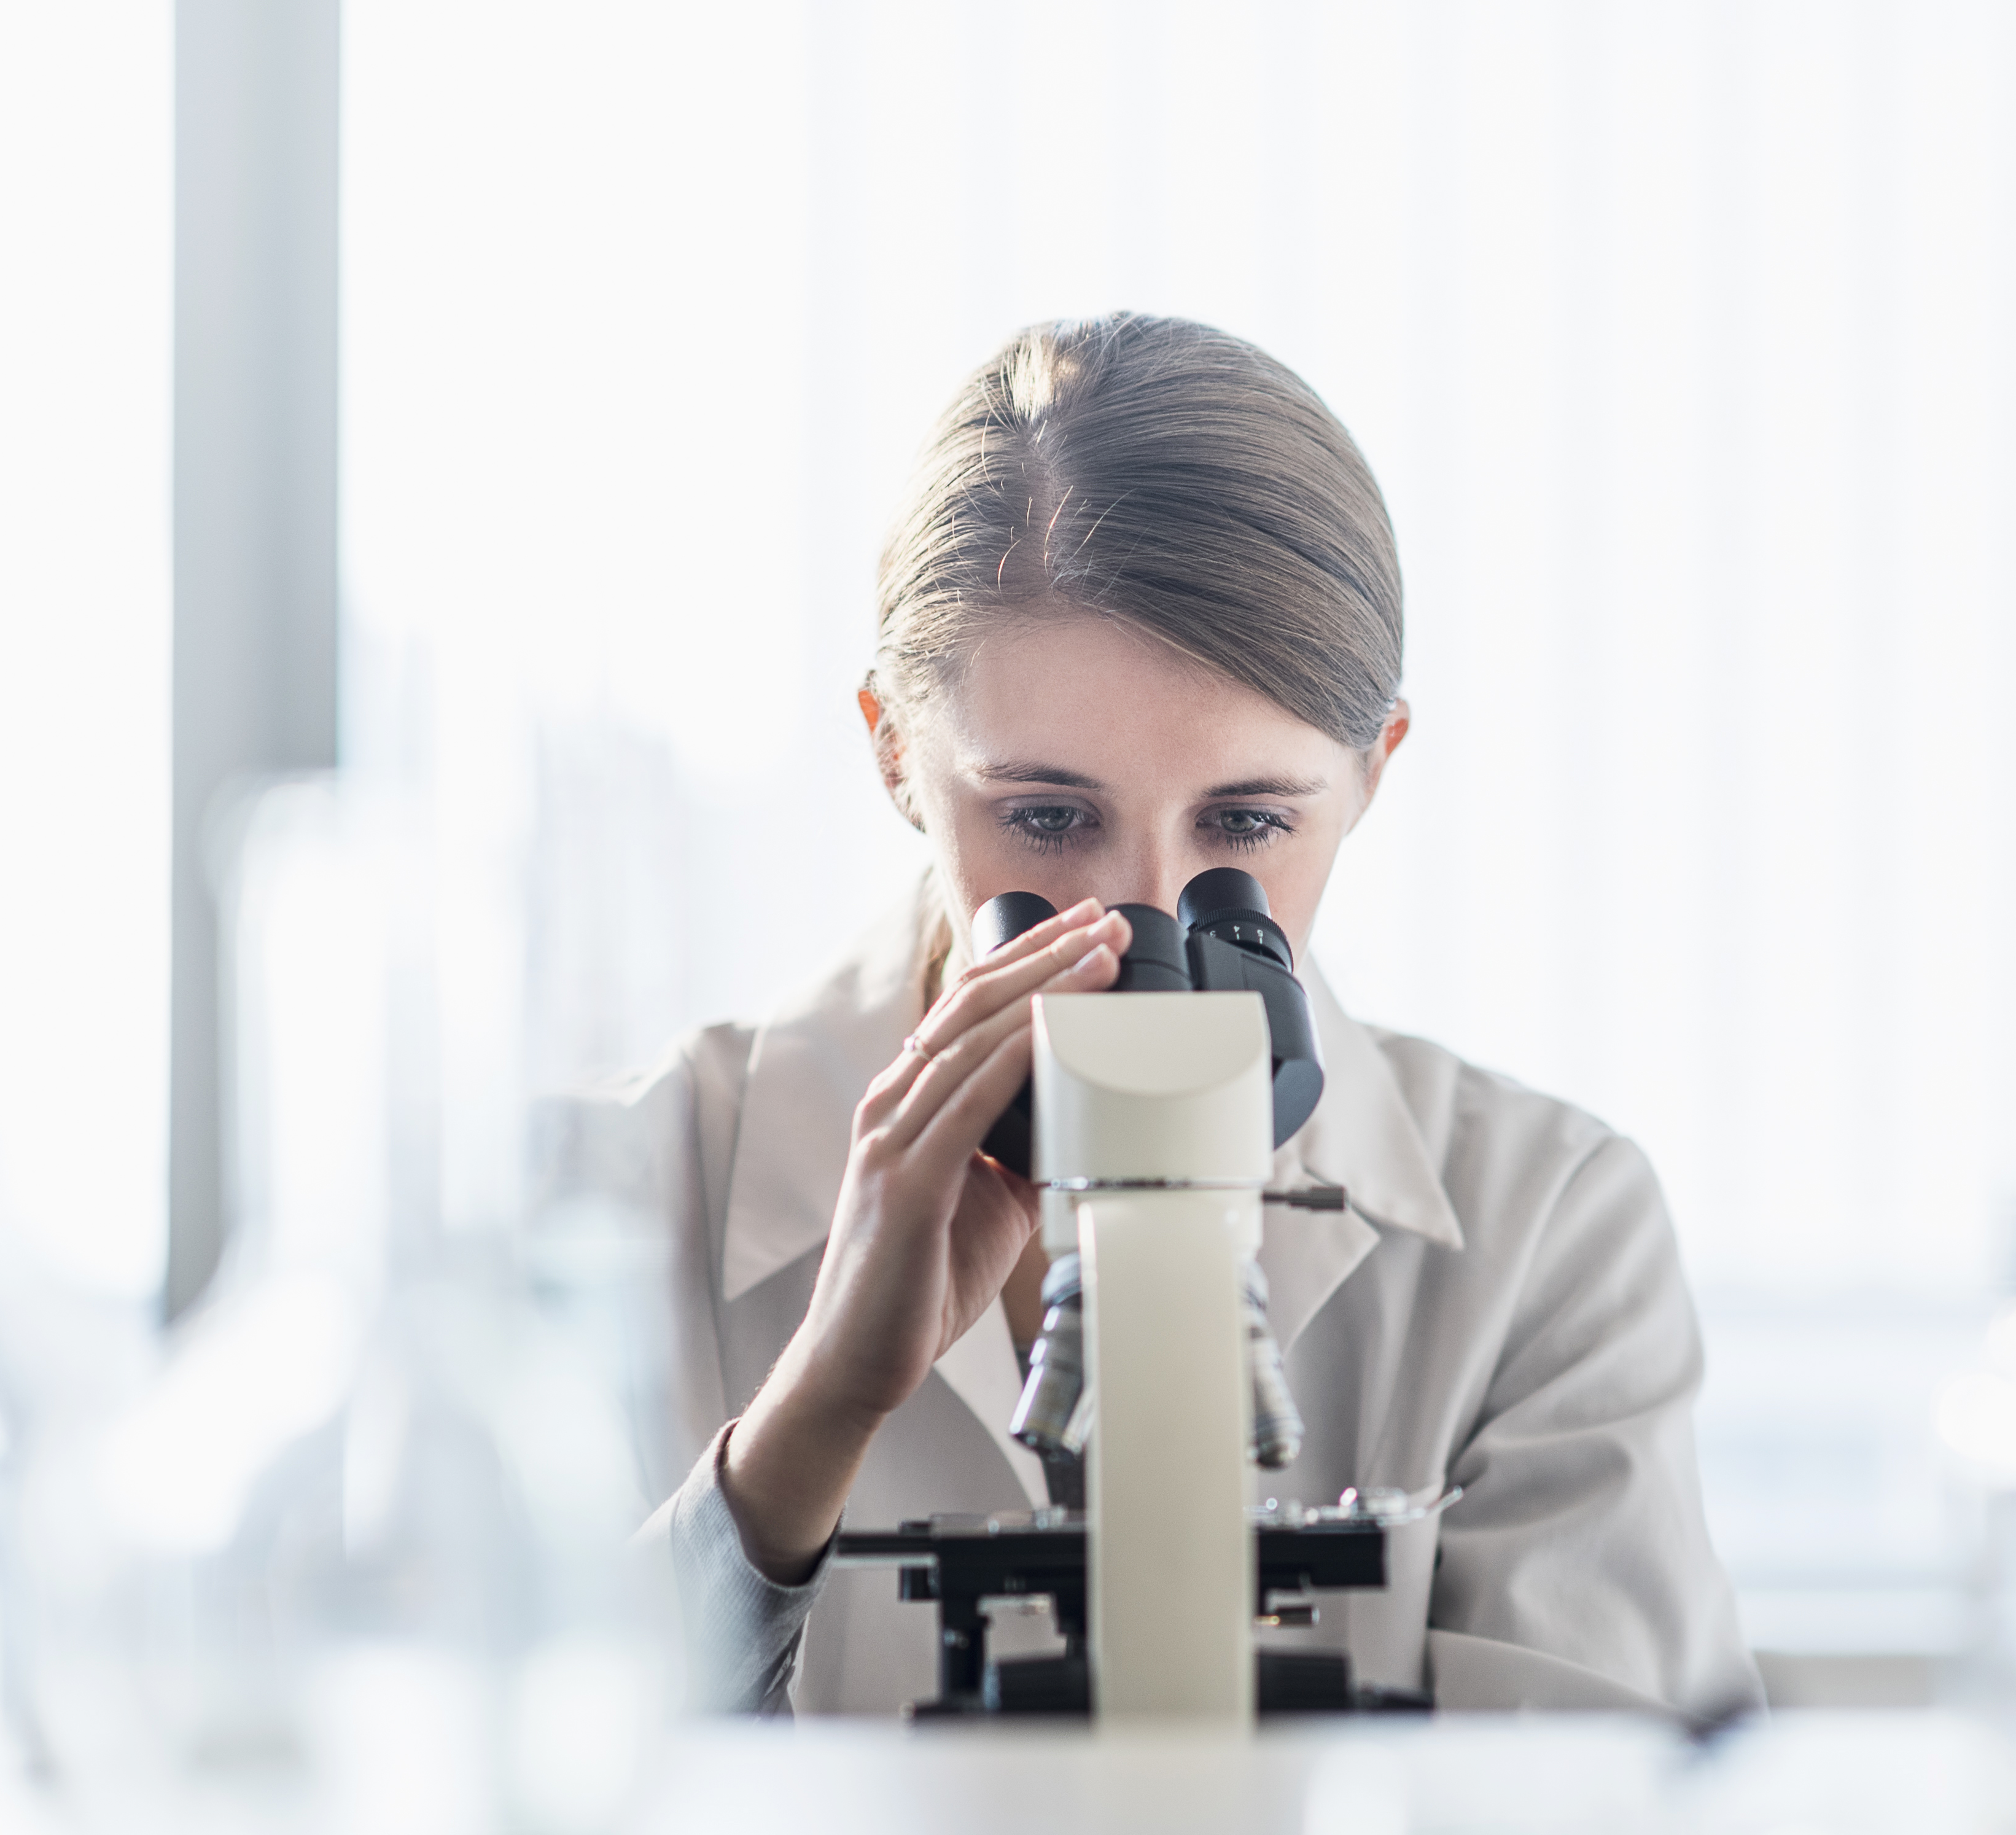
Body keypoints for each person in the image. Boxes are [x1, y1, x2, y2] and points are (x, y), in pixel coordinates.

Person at [617, 314, 1759, 1722]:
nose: (1134, 921)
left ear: (1372, 773)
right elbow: (479, 1832)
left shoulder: (1546, 1230)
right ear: (896, 754)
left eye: (1245, 823)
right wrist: (812, 1420)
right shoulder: (615, 1195)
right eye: (1045, 815)